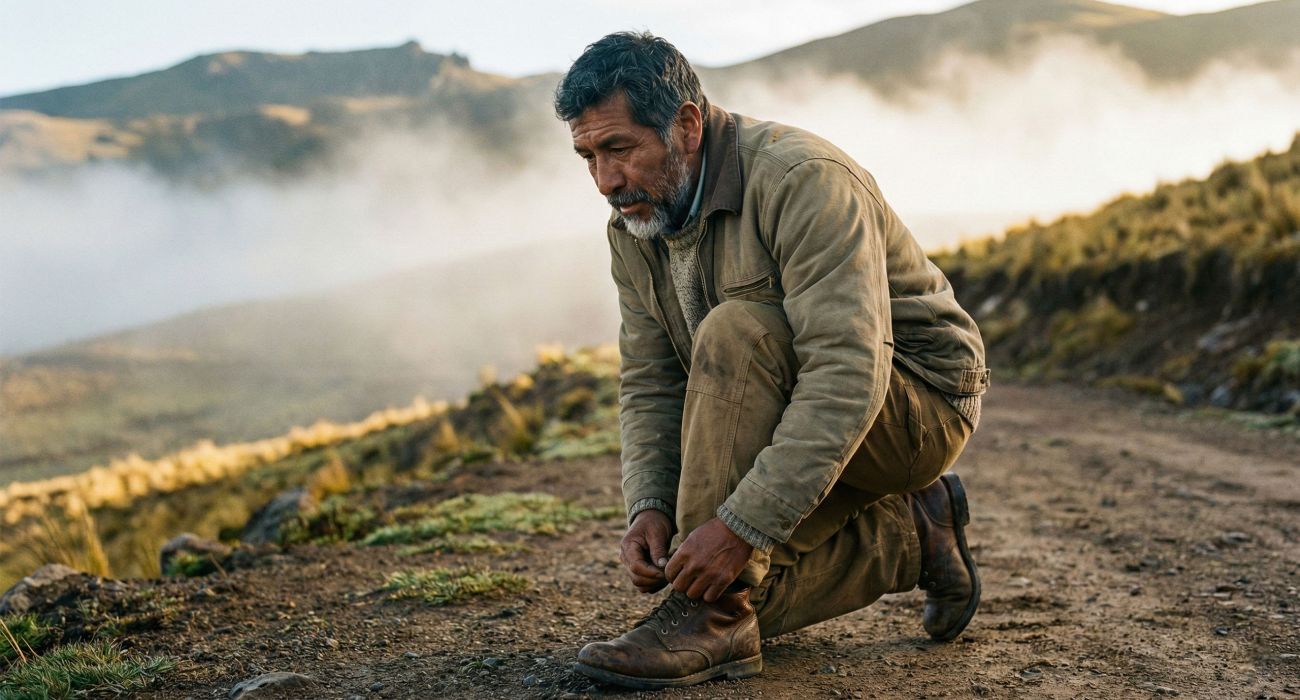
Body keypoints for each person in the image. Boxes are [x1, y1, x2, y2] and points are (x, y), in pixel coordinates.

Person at [554, 31, 990, 690]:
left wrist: (740, 526)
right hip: (802, 411)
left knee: (737, 333)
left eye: (619, 148)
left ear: (688, 125)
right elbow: (651, 379)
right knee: (729, 578)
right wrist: (649, 507)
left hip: (918, 406)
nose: (606, 181)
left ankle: (709, 618)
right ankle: (912, 535)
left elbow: (848, 371)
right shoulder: (635, 226)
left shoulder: (803, 179)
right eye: (587, 156)